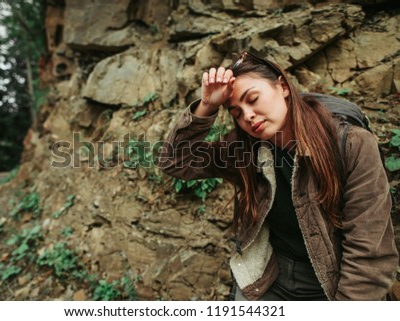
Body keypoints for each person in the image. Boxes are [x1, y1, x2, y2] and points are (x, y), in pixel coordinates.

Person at [158, 51, 399, 300]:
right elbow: (174, 161)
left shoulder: (352, 145)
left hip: (331, 284)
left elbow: (369, 256)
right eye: (236, 113)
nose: (248, 116)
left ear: (283, 86)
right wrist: (206, 106)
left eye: (252, 99)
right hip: (269, 278)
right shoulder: (248, 150)